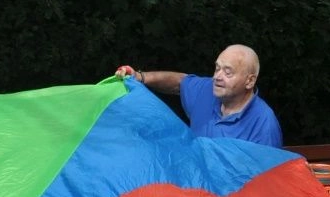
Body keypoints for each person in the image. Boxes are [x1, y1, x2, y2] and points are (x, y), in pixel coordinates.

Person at [116, 44, 283, 146]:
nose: (217, 76)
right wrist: (140, 77)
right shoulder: (206, 90)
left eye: (228, 72)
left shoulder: (264, 124)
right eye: (217, 68)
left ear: (249, 81)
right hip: (194, 190)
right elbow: (179, 83)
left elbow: (266, 184)